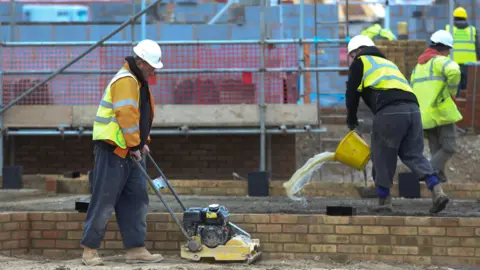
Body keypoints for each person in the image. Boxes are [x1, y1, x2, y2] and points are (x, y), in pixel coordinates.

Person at [80, 39, 164, 266]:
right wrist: (135, 146)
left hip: (129, 150)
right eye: (151, 65)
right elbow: (126, 117)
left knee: (136, 200)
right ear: (139, 62)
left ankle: (136, 248)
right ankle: (89, 250)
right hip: (113, 151)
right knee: (104, 201)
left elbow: (140, 117)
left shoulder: (138, 82)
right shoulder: (126, 81)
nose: (154, 69)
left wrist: (142, 142)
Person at [345, 35, 449, 214]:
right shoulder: (388, 64)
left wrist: (351, 120)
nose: (352, 59)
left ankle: (384, 200)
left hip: (390, 111)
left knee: (382, 155)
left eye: (352, 55)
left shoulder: (361, 61)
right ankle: (437, 190)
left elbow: (351, 93)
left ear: (358, 50)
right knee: (413, 154)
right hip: (413, 110)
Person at [410, 30, 462, 183]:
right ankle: (424, 172)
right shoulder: (439, 60)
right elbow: (454, 70)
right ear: (444, 48)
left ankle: (439, 182)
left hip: (424, 116)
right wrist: (452, 91)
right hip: (441, 112)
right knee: (449, 147)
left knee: (436, 149)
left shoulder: (418, 67)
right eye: (448, 51)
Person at [446, 6, 480, 95]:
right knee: (469, 92)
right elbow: (478, 48)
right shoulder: (473, 31)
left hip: (452, 65)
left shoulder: (449, 29)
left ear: (454, 18)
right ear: (466, 18)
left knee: (455, 91)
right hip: (470, 66)